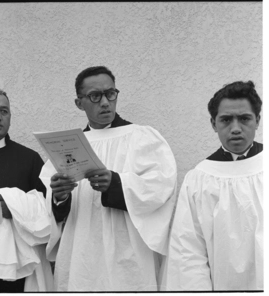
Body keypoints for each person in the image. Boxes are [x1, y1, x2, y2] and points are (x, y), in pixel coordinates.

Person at [39, 66, 177, 291]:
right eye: (95, 96)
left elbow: (161, 186)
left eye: (110, 93)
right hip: (80, 250)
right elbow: (52, 210)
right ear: (79, 102)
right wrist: (59, 197)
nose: (105, 102)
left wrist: (116, 183)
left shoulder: (142, 137)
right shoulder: (66, 146)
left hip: (127, 249)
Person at [159, 81, 263, 291]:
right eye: (226, 120)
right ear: (214, 124)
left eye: (244, 119)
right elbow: (188, 251)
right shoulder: (199, 179)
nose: (235, 128)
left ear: (257, 121)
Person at [0, 88, 47, 292]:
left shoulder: (30, 159)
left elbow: (46, 210)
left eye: (4, 111)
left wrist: (16, 210)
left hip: (14, 265)